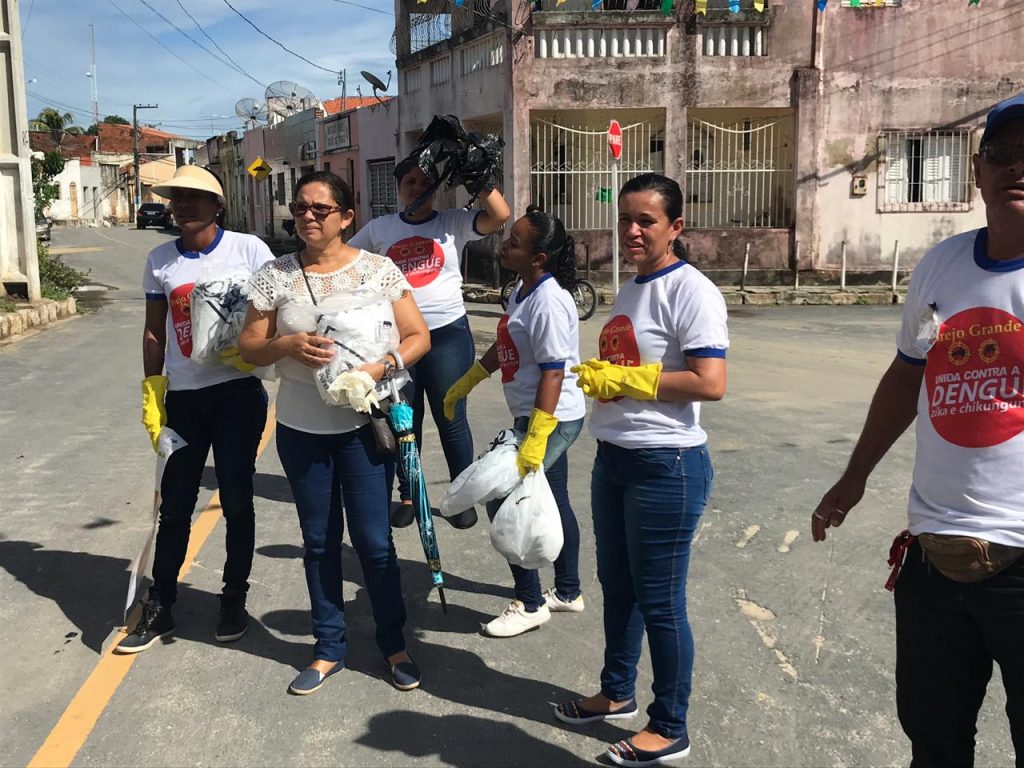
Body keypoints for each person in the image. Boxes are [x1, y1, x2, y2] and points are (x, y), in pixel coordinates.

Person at [811, 93, 1024, 767]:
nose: (1017, 167)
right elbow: (907, 377)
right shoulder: (941, 266)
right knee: (934, 745)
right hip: (936, 559)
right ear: (977, 170)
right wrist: (853, 478)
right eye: (1003, 154)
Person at [553, 173, 728, 767]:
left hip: (666, 465)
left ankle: (670, 725)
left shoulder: (692, 291)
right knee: (618, 587)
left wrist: (629, 379)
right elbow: (630, 364)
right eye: (625, 218)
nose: (631, 230)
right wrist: (603, 379)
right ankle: (616, 692)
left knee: (660, 601)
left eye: (645, 221)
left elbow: (710, 382)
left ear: (675, 227)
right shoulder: (631, 288)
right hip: (615, 459)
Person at [239, 171, 431, 695]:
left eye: (320, 209)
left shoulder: (379, 270)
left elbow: (418, 336)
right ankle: (328, 648)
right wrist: (285, 346)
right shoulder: (275, 276)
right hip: (301, 429)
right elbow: (249, 347)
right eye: (301, 207)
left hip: (365, 428)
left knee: (374, 541)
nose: (308, 216)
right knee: (319, 541)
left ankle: (394, 643)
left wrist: (382, 367)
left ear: (346, 217)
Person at [117, 165, 273, 654]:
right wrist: (153, 391)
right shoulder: (161, 260)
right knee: (176, 505)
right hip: (184, 398)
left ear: (216, 205)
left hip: (237, 393)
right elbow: (154, 330)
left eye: (194, 197)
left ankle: (233, 599)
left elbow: (280, 308)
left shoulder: (249, 250)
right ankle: (161, 604)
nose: (183, 205)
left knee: (238, 501)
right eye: (177, 198)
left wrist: (258, 347)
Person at [443, 211, 587, 637]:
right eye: (508, 238)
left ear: (538, 258)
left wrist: (536, 435)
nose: (504, 246)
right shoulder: (523, 291)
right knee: (553, 498)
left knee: (504, 496)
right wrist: (468, 380)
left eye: (515, 243)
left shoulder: (549, 301)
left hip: (552, 417)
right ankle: (568, 591)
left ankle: (530, 602)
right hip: (533, 413)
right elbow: (506, 345)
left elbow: (554, 372)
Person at [348, 153, 511, 530]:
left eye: (425, 183)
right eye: (410, 183)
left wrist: (478, 176)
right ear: (399, 188)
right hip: (399, 340)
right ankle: (410, 495)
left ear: (436, 189)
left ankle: (461, 496)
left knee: (451, 415)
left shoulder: (453, 222)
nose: (417, 189)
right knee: (405, 420)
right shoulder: (379, 228)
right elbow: (347, 261)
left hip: (447, 335)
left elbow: (500, 215)